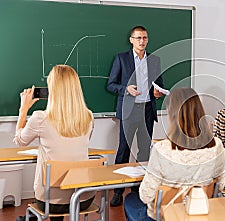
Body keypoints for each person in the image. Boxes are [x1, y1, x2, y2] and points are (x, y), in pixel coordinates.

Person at [123, 88, 225, 221]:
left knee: (130, 200)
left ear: (172, 115)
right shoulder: (216, 145)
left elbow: (146, 196)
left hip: (164, 217)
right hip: (200, 213)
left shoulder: (162, 149)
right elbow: (221, 185)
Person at [13, 65, 95, 221]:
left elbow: (20, 141)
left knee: (52, 196)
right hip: (83, 198)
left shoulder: (40, 118)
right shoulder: (88, 117)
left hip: (51, 201)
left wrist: (23, 109)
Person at [107, 25, 163, 206]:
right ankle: (117, 191)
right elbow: (111, 84)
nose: (142, 41)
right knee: (124, 149)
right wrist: (126, 90)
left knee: (145, 151)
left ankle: (139, 188)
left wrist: (157, 92)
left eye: (144, 38)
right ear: (131, 40)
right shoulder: (121, 59)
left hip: (147, 109)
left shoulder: (154, 60)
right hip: (129, 111)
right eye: (138, 38)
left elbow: (159, 83)